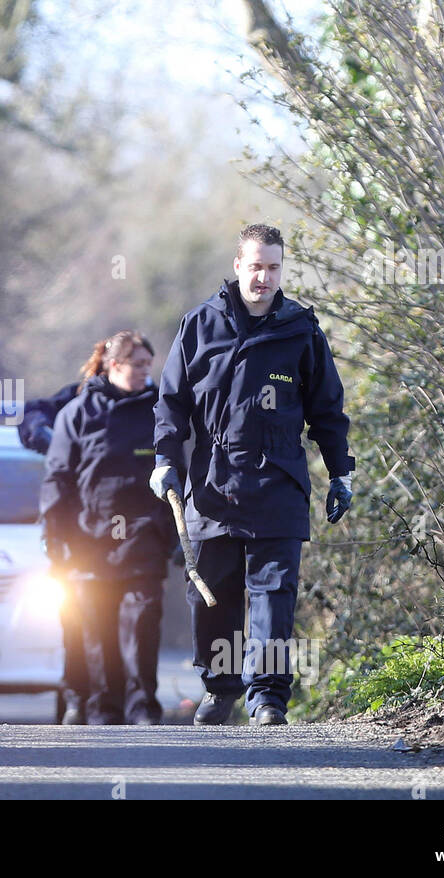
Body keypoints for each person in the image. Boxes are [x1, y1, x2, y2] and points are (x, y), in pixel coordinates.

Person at [150, 224, 355, 726]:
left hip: (278, 482)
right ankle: (220, 689)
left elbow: (328, 410)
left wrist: (341, 474)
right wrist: (165, 461)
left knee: (274, 594)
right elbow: (171, 404)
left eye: (274, 267)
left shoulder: (301, 330)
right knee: (211, 593)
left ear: (282, 270)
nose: (264, 277)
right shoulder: (200, 324)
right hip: (213, 485)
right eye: (256, 266)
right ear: (238, 265)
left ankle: (266, 697)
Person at [40, 331, 176, 725]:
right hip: (90, 545)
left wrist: (176, 538)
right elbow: (58, 479)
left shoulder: (161, 411)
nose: (145, 373)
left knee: (142, 630)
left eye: (149, 366)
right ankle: (103, 711)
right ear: (114, 366)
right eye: (137, 365)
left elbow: (182, 470)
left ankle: (143, 709)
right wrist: (56, 540)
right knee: (97, 636)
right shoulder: (79, 413)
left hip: (145, 540)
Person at [19, 382, 86, 723]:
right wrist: (43, 433)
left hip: (124, 543)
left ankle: (131, 711)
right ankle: (76, 701)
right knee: (76, 625)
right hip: (74, 541)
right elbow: (33, 413)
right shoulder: (77, 401)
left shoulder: (145, 403)